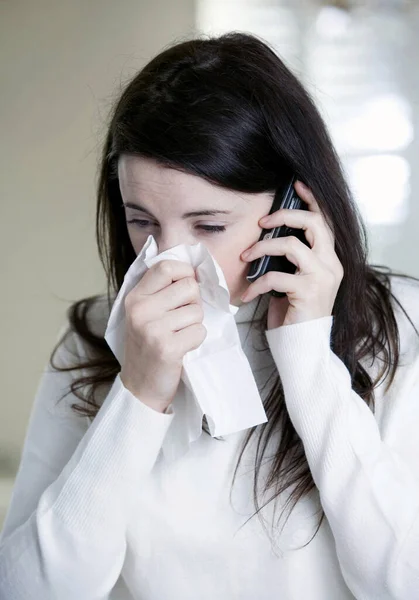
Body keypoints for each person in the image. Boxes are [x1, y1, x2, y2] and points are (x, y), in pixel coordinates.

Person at [0, 31, 418, 600]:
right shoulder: (97, 338)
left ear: (295, 208)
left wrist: (308, 358)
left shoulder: (400, 328)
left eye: (209, 226)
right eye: (142, 220)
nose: (172, 261)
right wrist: (138, 395)